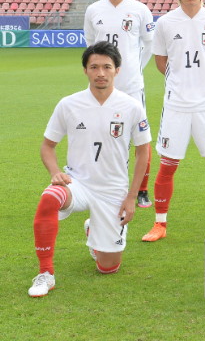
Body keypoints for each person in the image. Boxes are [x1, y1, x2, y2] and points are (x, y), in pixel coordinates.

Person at [28, 42, 151, 297]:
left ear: (117, 70)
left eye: (107, 67)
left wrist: (131, 197)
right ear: (85, 70)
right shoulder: (69, 104)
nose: (100, 73)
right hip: (77, 183)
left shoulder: (131, 106)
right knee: (49, 198)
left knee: (108, 267)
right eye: (94, 67)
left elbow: (143, 152)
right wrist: (54, 173)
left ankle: (93, 229)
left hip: (113, 190)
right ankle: (45, 274)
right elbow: (47, 146)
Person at [142, 0, 205, 242]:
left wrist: (203, 80)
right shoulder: (166, 23)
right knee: (168, 165)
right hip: (176, 105)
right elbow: (160, 61)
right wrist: (181, 81)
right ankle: (160, 224)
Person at [83, 0, 155, 208]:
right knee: (105, 134)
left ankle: (142, 189)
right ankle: (108, 186)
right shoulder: (94, 10)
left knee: (140, 138)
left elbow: (150, 44)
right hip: (103, 87)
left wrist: (134, 67)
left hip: (132, 85)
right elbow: (91, 45)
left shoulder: (139, 9)